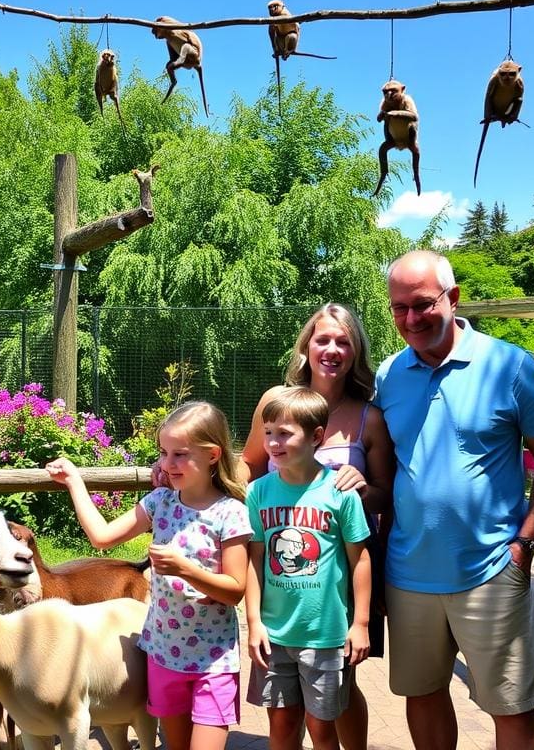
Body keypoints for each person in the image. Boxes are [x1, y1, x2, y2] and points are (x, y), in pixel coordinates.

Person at [375, 250, 534, 750]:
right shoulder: (389, 375)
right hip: (409, 571)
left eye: (422, 304)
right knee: (422, 696)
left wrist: (527, 542)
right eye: (399, 308)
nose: (411, 319)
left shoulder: (509, 365)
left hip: (491, 569)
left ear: (452, 297)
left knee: (513, 712)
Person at [45, 401, 252, 750]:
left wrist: (184, 569)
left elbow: (235, 590)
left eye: (179, 455)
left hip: (212, 660)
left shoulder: (230, 513)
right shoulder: (160, 502)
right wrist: (75, 482)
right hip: (164, 655)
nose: (167, 464)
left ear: (213, 454)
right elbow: (102, 537)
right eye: (163, 453)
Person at [239, 303, 394, 750]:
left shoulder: (371, 416)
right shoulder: (277, 404)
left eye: (343, 341)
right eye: (323, 339)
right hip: (279, 585)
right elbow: (247, 468)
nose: (331, 349)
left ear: (356, 350)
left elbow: (387, 491)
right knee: (285, 714)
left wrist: (364, 487)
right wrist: (183, 467)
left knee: (341, 690)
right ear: (307, 345)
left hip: (339, 571)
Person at [244, 386, 373, 750]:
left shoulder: (340, 492)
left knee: (321, 729)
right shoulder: (258, 493)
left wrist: (360, 624)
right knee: (282, 726)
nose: (273, 442)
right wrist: (254, 623)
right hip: (274, 635)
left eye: (284, 433)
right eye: (269, 433)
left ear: (316, 436)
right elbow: (254, 560)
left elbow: (360, 558)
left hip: (325, 636)